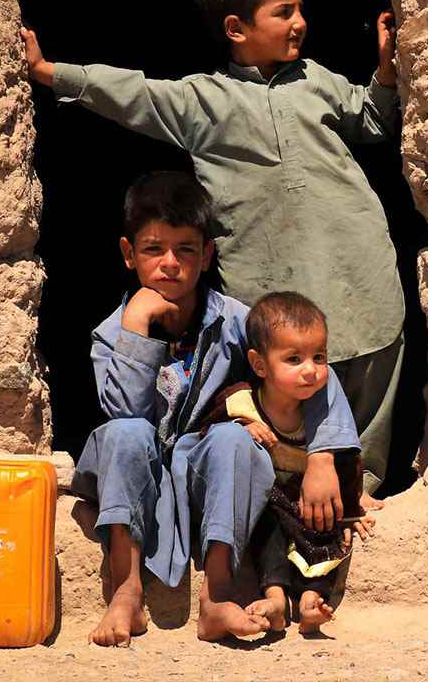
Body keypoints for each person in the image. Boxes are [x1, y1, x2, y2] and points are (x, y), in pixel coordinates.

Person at [23, 0, 405, 507]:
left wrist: (387, 72)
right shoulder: (203, 100)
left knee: (371, 355)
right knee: (284, 370)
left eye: (300, 9)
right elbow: (133, 92)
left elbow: (371, 119)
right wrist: (48, 73)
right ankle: (286, 499)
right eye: (284, 12)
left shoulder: (316, 80)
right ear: (236, 29)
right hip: (269, 266)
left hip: (356, 250)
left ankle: (361, 488)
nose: (300, 23)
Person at [70, 171, 360, 646]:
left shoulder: (234, 321)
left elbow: (302, 365)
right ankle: (126, 590)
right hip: (131, 470)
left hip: (197, 471)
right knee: (125, 433)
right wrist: (138, 324)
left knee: (229, 437)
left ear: (206, 256)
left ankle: (216, 597)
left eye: (186, 249)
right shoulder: (111, 333)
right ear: (128, 254)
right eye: (152, 249)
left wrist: (324, 455)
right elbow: (124, 411)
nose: (169, 263)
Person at [201, 292, 376, 635]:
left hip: (303, 502)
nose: (310, 371)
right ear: (260, 365)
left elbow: (347, 463)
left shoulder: (320, 413)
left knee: (327, 524)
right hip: (268, 501)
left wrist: (355, 506)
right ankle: (276, 598)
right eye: (294, 359)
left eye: (319, 357)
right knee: (267, 529)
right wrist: (243, 426)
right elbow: (209, 431)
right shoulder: (241, 400)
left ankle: (312, 599)